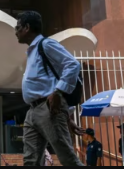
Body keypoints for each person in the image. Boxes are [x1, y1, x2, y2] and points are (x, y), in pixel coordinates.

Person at [15, 11, 85, 167]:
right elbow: (48, 81)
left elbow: (73, 65)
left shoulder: (45, 44)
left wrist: (58, 92)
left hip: (48, 109)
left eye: (18, 27)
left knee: (68, 159)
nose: (16, 32)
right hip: (32, 112)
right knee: (30, 161)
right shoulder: (32, 51)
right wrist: (66, 117)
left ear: (27, 27)